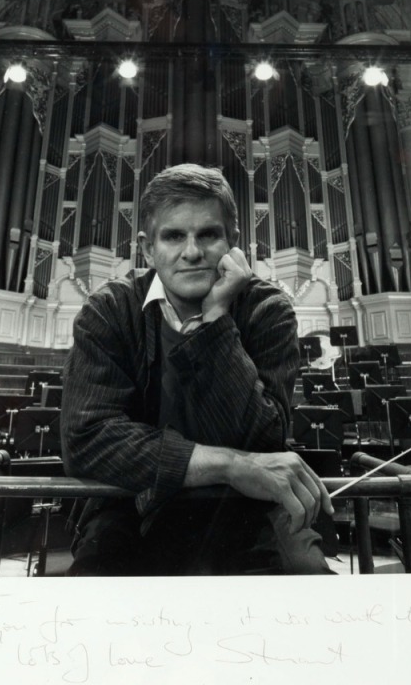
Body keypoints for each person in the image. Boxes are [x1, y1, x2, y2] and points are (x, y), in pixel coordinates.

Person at [61, 163, 334, 575]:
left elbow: (262, 438)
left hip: (249, 510)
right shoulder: (110, 310)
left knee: (306, 585)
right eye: (174, 235)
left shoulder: (267, 310)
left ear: (233, 242)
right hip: (131, 504)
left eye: (208, 234)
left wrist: (217, 319)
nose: (192, 252)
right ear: (148, 248)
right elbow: (88, 438)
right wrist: (229, 465)